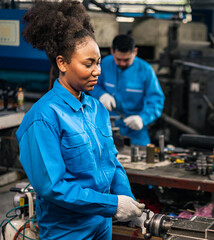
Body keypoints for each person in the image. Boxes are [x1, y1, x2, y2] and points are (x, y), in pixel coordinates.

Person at [16, 1, 150, 239]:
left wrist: (128, 201)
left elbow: (112, 163)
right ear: (62, 63)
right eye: (88, 64)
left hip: (101, 224)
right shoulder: (43, 118)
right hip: (67, 230)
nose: (97, 70)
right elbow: (53, 187)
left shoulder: (97, 109)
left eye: (98, 62)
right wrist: (112, 205)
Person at [90, 34, 165, 146]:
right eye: (118, 59)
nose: (122, 63)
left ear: (135, 51)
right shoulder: (105, 64)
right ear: (112, 51)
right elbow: (93, 84)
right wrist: (101, 94)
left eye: (127, 59)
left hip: (135, 134)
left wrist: (142, 118)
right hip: (105, 130)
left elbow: (156, 101)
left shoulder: (145, 70)